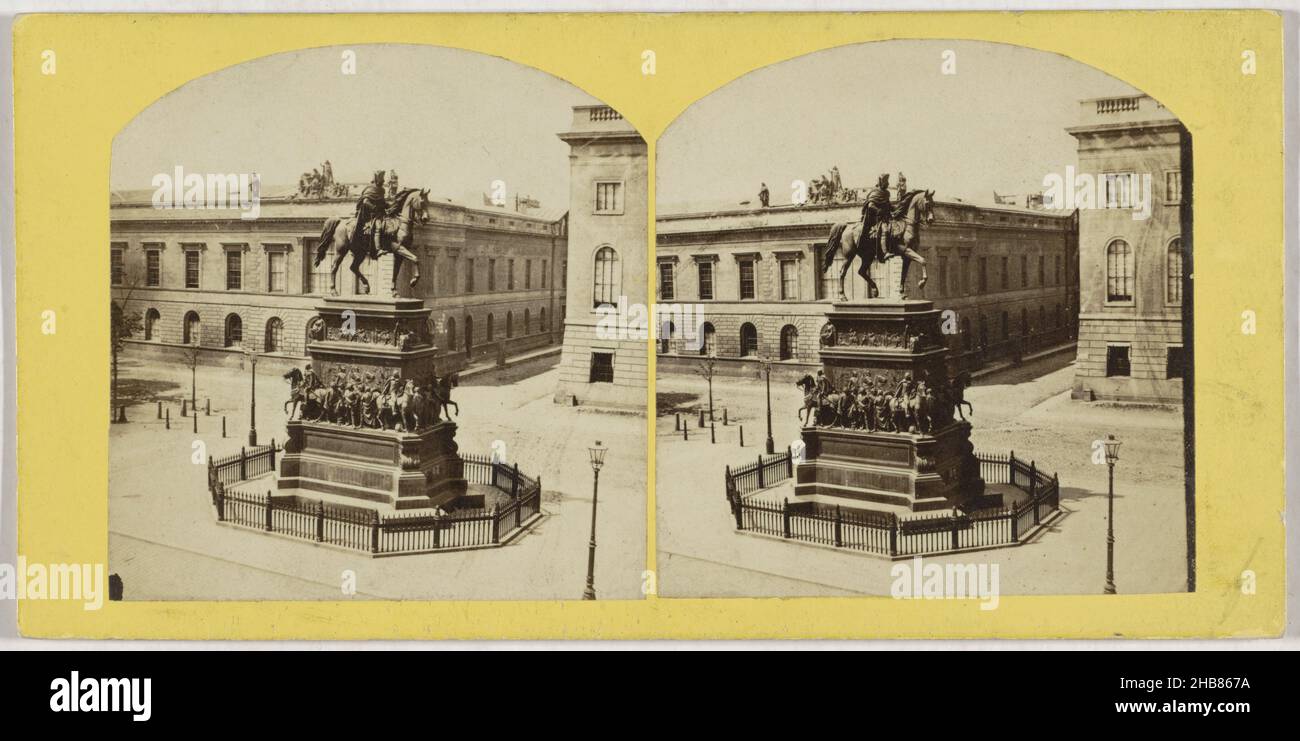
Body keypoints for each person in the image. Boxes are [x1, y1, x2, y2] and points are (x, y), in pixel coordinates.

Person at [355, 169, 389, 259]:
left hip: (381, 214)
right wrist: (374, 208)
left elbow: (382, 202)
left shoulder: (381, 190)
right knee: (378, 226)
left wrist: (388, 205)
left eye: (383, 179)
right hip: (370, 215)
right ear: (376, 179)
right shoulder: (370, 189)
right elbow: (365, 201)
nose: (382, 181)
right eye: (380, 179)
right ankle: (378, 249)